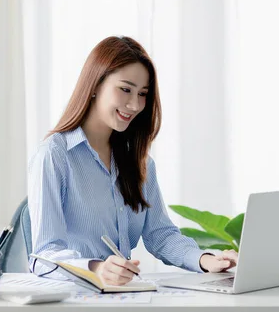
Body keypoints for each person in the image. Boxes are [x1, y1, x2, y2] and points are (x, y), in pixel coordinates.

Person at [28, 36, 238, 286]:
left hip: (125, 297)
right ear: (95, 85)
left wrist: (204, 259)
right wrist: (97, 268)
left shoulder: (140, 162)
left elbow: (160, 235)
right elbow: (44, 256)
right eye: (125, 89)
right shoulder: (54, 155)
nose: (135, 104)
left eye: (143, 94)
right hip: (74, 298)